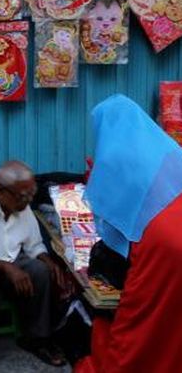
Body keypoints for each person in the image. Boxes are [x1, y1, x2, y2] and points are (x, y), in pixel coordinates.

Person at [75, 95, 182, 373]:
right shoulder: (166, 147)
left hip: (163, 241)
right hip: (174, 224)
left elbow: (114, 220)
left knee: (142, 322)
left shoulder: (113, 156)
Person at [0, 160, 66, 372]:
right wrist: (5, 267)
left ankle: (37, 339)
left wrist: (49, 262)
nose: (28, 201)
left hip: (14, 265)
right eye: (22, 196)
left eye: (31, 195)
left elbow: (34, 245)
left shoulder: (21, 207)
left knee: (40, 270)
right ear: (0, 191)